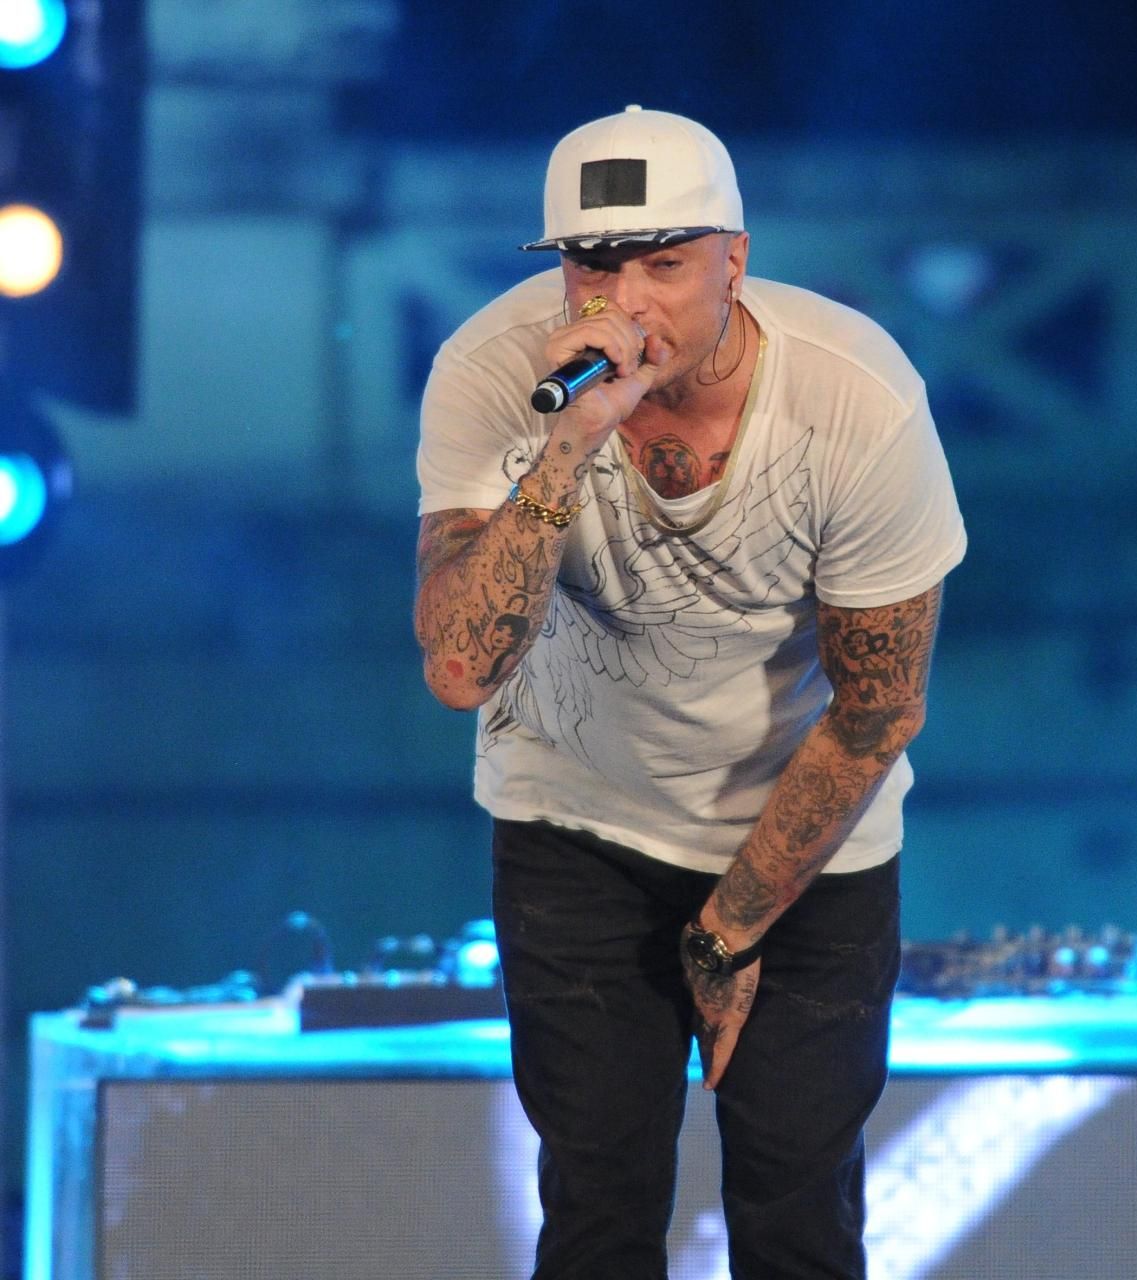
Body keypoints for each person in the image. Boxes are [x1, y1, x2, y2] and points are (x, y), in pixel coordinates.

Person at [413, 105, 966, 1279]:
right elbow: (460, 668)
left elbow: (877, 710)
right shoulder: (495, 371)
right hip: (575, 820)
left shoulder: (856, 399)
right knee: (597, 1203)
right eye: (593, 266)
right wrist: (566, 448)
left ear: (735, 260)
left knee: (797, 1207)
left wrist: (729, 927)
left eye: (663, 265)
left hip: (806, 836)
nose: (624, 304)